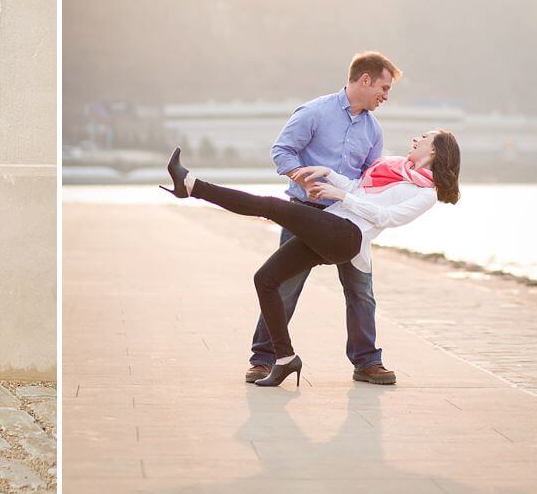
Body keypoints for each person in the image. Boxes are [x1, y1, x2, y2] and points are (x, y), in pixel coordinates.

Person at [163, 129, 462, 386]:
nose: (415, 138)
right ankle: (285, 358)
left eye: (423, 137)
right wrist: (329, 174)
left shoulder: (426, 192)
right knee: (265, 279)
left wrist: (343, 196)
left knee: (271, 206)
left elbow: (387, 216)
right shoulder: (393, 168)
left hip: (347, 235)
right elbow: (359, 188)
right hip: (333, 225)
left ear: (434, 149)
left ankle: (190, 186)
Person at [247, 52, 400, 385]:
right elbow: (282, 150)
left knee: (361, 291)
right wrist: (301, 178)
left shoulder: (373, 130)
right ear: (365, 80)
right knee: (284, 287)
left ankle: (367, 362)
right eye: (384, 88)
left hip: (348, 220)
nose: (386, 97)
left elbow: (369, 182)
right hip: (305, 214)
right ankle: (263, 358)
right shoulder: (315, 112)